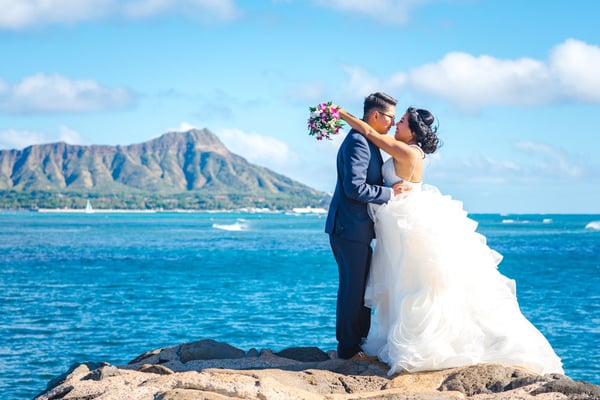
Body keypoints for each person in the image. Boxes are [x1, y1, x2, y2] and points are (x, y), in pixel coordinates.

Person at [336, 105, 564, 375]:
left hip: (405, 222)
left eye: (403, 122)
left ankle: (420, 343)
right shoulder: (408, 148)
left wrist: (341, 113)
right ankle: (393, 338)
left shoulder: (407, 150)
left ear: (413, 132)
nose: (397, 124)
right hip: (398, 220)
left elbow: (367, 131)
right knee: (402, 282)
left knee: (413, 283)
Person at [325, 92, 408, 360]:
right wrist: (390, 193)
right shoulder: (359, 142)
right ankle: (348, 350)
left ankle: (356, 342)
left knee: (359, 287)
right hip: (349, 228)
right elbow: (354, 188)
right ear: (375, 116)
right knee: (352, 289)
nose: (393, 124)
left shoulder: (366, 140)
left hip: (356, 228)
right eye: (391, 118)